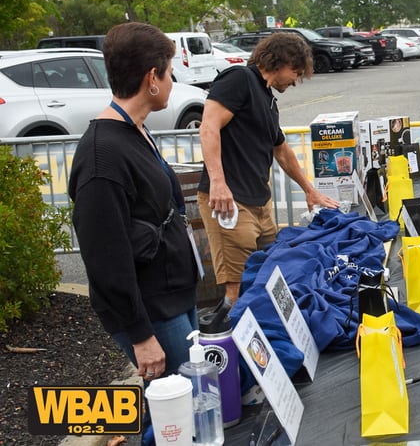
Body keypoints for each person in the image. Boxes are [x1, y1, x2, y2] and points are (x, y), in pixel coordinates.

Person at [69, 22, 198, 384]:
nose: (174, 82)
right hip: (152, 311)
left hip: (175, 295)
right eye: (171, 73)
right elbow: (103, 256)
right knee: (178, 408)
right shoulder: (102, 156)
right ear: (152, 77)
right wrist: (141, 336)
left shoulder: (137, 130)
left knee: (198, 399)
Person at [198, 33, 339, 306]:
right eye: (295, 72)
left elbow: (282, 150)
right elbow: (208, 126)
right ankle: (234, 343)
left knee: (270, 278)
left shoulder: (267, 99)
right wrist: (218, 182)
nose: (295, 81)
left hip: (260, 204)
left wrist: (310, 190)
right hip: (230, 203)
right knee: (237, 288)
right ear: (280, 61)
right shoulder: (239, 79)